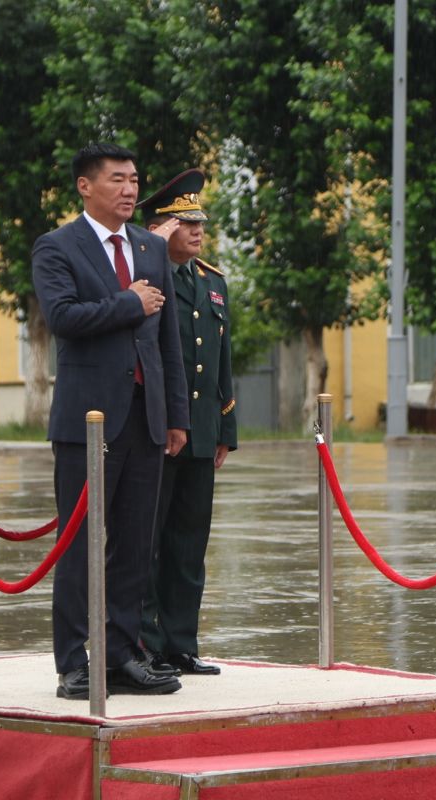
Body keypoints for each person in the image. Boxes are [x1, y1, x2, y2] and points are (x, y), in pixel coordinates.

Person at [32, 142, 190, 699]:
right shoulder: (57, 247)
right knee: (78, 546)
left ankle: (123, 653)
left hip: (145, 419)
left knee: (134, 543)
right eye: (117, 179)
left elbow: (167, 340)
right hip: (87, 423)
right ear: (86, 186)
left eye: (134, 179)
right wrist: (129, 302)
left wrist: (176, 415)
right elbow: (64, 318)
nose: (129, 189)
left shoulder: (151, 247)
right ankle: (73, 661)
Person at [137, 169, 237, 677]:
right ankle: (146, 645)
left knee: (188, 545)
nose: (197, 231)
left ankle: (181, 643)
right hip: (159, 432)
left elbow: (222, 362)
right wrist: (149, 259)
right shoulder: (146, 278)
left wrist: (226, 430)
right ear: (159, 228)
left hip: (201, 432)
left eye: (200, 222)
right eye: (185, 223)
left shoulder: (212, 282)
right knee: (149, 542)